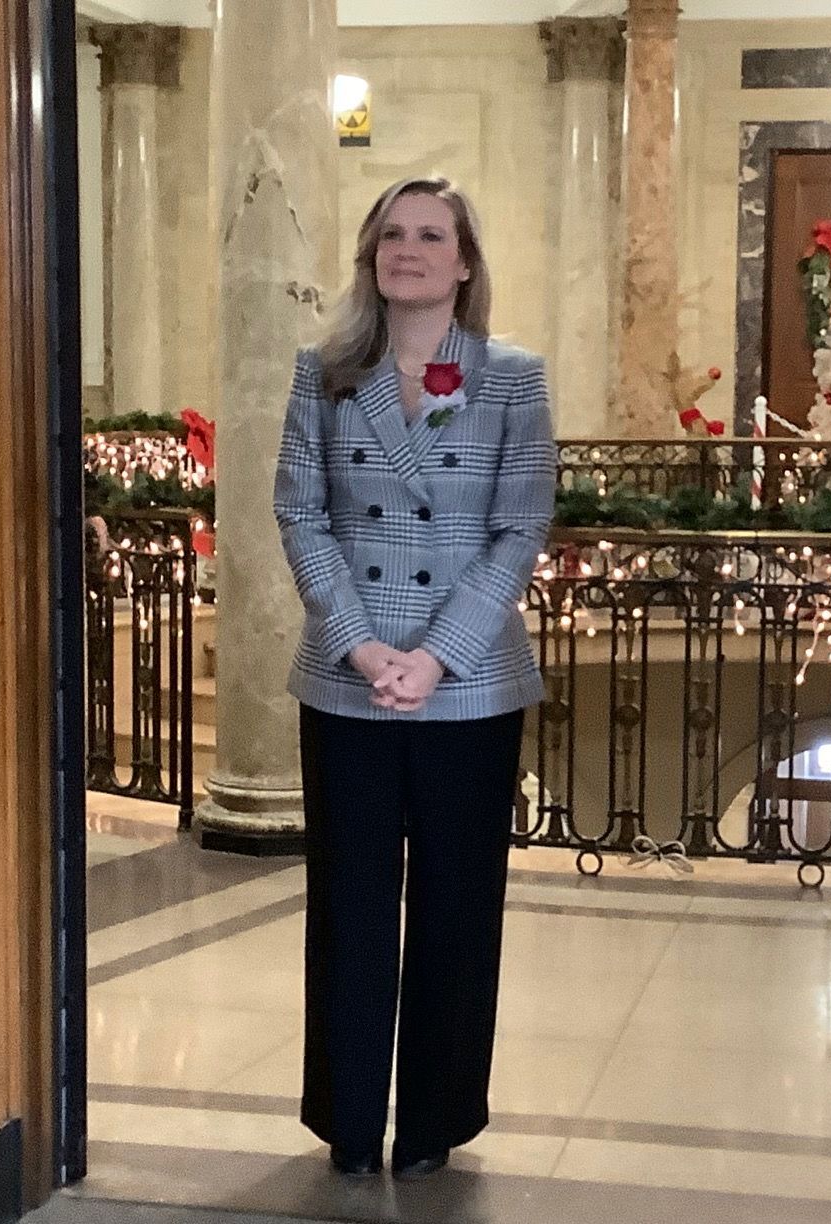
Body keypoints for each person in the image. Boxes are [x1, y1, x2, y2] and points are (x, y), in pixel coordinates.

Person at [271, 176, 555, 1180]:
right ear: (371, 255)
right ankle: (348, 1121)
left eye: (432, 235)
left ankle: (433, 1122)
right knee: (348, 908)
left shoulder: (511, 377)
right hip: (347, 680)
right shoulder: (324, 372)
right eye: (392, 234)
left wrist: (437, 656)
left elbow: (520, 525)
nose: (409, 249)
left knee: (455, 910)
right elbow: (299, 512)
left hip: (467, 685)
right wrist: (361, 645)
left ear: (464, 262)